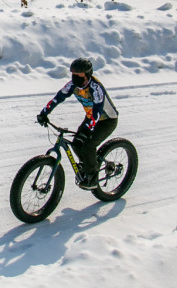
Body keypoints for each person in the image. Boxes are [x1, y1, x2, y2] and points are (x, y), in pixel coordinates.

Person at [36, 57, 118, 189]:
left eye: (78, 75)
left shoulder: (96, 88)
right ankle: (88, 164)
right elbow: (58, 97)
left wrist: (87, 130)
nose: (74, 78)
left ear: (87, 75)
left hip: (107, 120)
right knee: (76, 144)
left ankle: (92, 179)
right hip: (91, 118)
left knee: (88, 145)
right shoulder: (73, 85)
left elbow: (97, 111)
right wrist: (44, 112)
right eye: (73, 74)